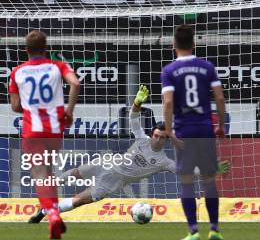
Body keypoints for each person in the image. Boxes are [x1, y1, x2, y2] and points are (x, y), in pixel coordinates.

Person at [28, 85, 230, 223]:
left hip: (112, 182)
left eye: (162, 137)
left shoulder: (163, 162)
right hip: (105, 163)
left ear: (167, 139)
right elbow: (133, 118)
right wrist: (137, 102)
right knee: (71, 174)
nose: (157, 139)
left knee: (79, 200)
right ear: (152, 134)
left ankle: (44, 213)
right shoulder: (142, 138)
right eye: (156, 135)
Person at [9, 30, 80, 239]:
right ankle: (54, 212)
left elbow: (15, 106)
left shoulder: (17, 72)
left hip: (33, 130)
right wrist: (69, 111)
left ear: (26, 50)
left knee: (40, 174)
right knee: (48, 171)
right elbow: (75, 83)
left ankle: (52, 215)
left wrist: (32, 107)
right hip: (55, 128)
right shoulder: (57, 66)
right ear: (46, 48)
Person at [161, 24, 226, 240]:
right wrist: (221, 125)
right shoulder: (207, 66)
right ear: (194, 44)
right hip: (205, 129)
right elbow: (219, 98)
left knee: (187, 181)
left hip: (184, 131)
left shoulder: (169, 71)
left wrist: (169, 131)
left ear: (174, 45)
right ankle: (215, 229)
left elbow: (168, 102)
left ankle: (193, 231)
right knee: (209, 180)